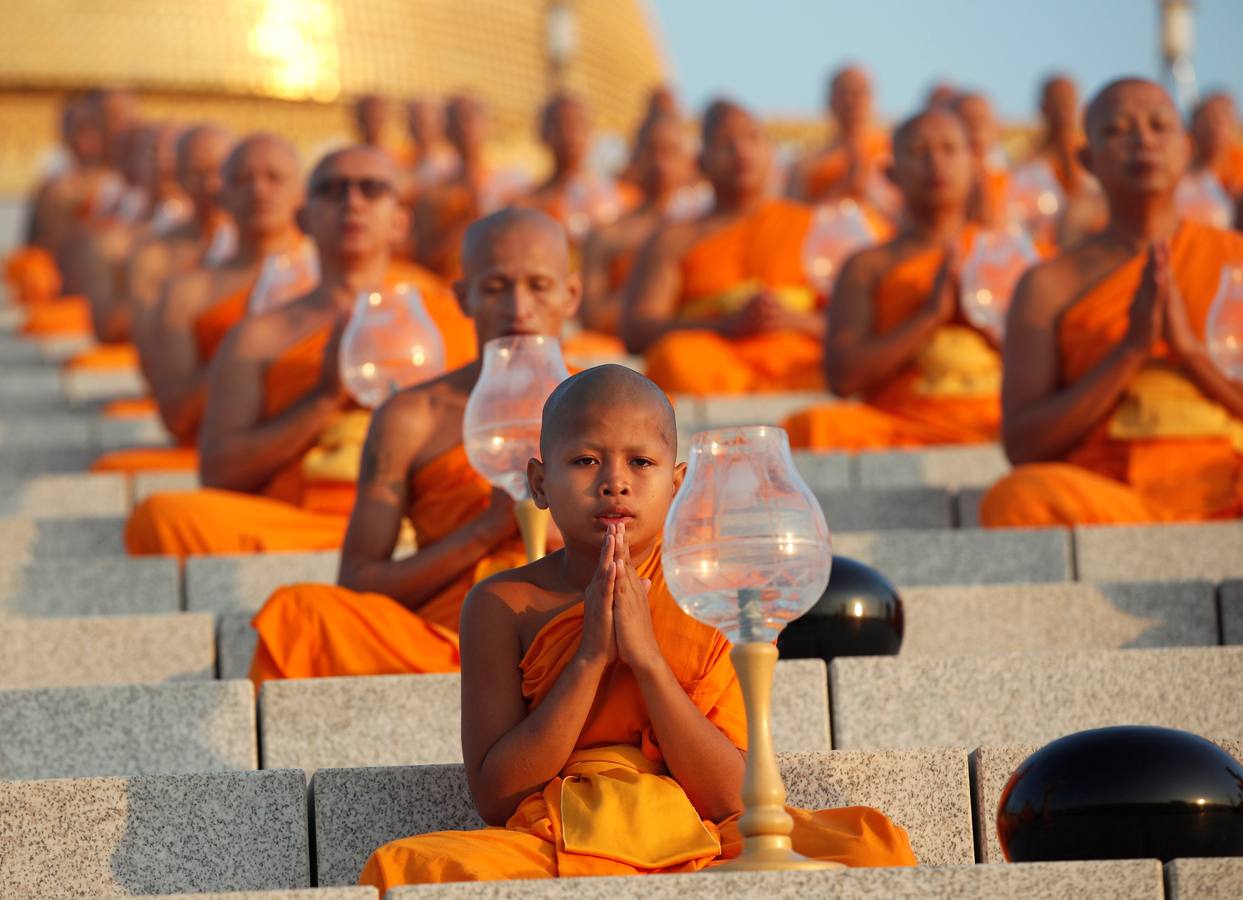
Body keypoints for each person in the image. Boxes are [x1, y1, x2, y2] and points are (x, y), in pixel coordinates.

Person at [356, 364, 917, 889]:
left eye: (641, 463)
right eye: (585, 461)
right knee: (403, 872)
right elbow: (497, 796)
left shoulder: (717, 590)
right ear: (539, 483)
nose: (614, 483)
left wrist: (646, 658)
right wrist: (589, 658)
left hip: (705, 832)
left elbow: (733, 797)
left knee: (873, 846)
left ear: (678, 484)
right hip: (555, 835)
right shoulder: (502, 604)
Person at [248, 208, 579, 684]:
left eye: (539, 286)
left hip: (580, 635)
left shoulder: (613, 405)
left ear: (571, 295)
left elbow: (651, 559)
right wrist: (485, 531)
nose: (518, 307)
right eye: (495, 288)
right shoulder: (414, 416)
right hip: (452, 644)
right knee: (299, 614)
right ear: (463, 298)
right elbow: (360, 582)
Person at [124, 145, 475, 556]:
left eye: (371, 189)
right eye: (332, 190)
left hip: (421, 514)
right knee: (162, 518)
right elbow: (219, 472)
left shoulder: (447, 314)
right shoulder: (259, 337)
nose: (352, 202)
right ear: (304, 219)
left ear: (400, 221)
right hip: (309, 520)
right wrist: (324, 399)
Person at [980, 78, 1243, 526]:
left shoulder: (1234, 259)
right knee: (1015, 499)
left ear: (1186, 148)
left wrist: (1191, 354)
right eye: (1117, 130)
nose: (1143, 140)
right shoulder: (1050, 284)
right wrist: (1130, 351)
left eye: (1160, 127)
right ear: (1087, 161)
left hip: (1229, 475)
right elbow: (1023, 445)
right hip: (1111, 490)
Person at [91, 133, 308, 474]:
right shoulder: (186, 293)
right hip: (230, 461)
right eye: (242, 180)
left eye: (274, 179)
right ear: (224, 194)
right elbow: (176, 415)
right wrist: (251, 346)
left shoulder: (327, 282)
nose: (259, 191)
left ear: (302, 192)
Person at [783, 109, 999, 450]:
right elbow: (843, 378)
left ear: (974, 165)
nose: (936, 162)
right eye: (919, 152)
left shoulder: (1006, 256)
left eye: (949, 149)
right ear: (891, 174)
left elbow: (1046, 373)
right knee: (811, 428)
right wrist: (930, 317)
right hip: (900, 424)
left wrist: (982, 319)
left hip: (992, 416)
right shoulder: (867, 266)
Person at [622, 100, 823, 395]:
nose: (741, 151)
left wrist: (793, 320)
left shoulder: (812, 225)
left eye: (752, 138)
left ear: (771, 153)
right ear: (701, 163)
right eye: (725, 142)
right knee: (673, 359)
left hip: (794, 361)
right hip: (714, 363)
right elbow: (638, 329)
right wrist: (724, 327)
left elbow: (850, 330)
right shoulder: (675, 240)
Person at [578, 112, 696, 340]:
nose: (661, 162)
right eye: (651, 150)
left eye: (671, 151)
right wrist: (652, 292)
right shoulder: (607, 235)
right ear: (633, 158)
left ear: (691, 162)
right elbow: (593, 318)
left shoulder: (704, 228)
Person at [411, 94, 511, 280]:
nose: (465, 127)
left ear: (488, 125)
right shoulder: (433, 191)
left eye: (471, 117)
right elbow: (423, 255)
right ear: (445, 129)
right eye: (456, 120)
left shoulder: (508, 183)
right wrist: (464, 222)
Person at [787, 66, 896, 221]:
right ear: (830, 100)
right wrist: (842, 188)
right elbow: (792, 221)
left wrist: (869, 188)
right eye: (844, 92)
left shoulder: (894, 153)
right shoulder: (807, 165)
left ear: (874, 99)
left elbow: (905, 213)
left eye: (860, 92)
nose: (852, 100)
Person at [524, 93, 630, 245]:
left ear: (591, 131)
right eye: (558, 125)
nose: (568, 134)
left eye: (576, 125)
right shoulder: (526, 205)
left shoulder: (619, 199)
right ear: (542, 133)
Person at [951, 92, 1010, 229]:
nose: (975, 127)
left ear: (998, 128)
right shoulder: (938, 185)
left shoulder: (1015, 183)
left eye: (982, 119)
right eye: (967, 120)